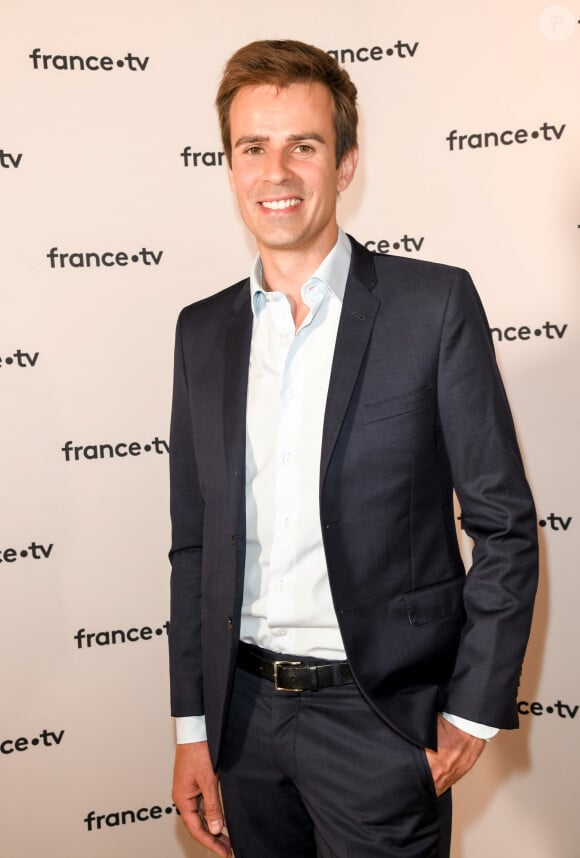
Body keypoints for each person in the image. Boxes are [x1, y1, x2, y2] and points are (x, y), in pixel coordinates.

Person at [168, 39, 538, 858]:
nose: (278, 172)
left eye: (304, 145)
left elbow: (504, 524)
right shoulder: (201, 332)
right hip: (241, 722)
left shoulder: (433, 305)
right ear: (229, 167)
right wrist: (192, 726)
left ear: (345, 164)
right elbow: (194, 545)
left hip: (377, 724)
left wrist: (470, 710)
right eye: (252, 148)